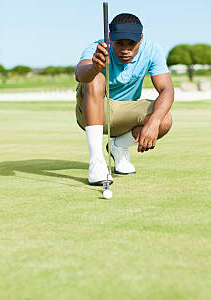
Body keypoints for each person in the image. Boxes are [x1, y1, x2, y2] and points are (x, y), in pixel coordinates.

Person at [75, 13, 174, 185]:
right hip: (93, 111)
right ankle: (97, 163)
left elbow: (167, 89)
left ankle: (118, 146)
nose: (125, 50)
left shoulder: (152, 50)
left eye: (132, 44)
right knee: (95, 78)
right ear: (111, 38)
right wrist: (94, 68)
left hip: (125, 110)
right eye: (119, 43)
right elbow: (80, 74)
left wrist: (153, 122)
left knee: (164, 120)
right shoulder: (97, 49)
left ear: (141, 39)